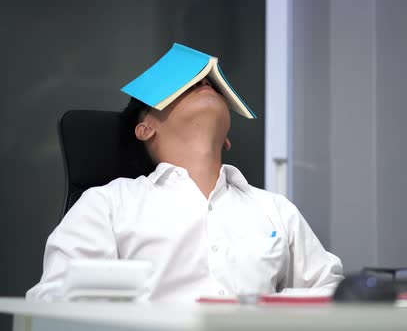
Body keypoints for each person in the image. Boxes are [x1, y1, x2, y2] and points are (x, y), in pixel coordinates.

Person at [26, 75, 343, 302]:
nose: (206, 82)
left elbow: (332, 289)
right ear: (145, 128)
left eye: (211, 83)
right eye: (185, 83)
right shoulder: (107, 204)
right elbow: (53, 302)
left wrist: (275, 309)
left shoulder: (276, 210)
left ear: (226, 139)